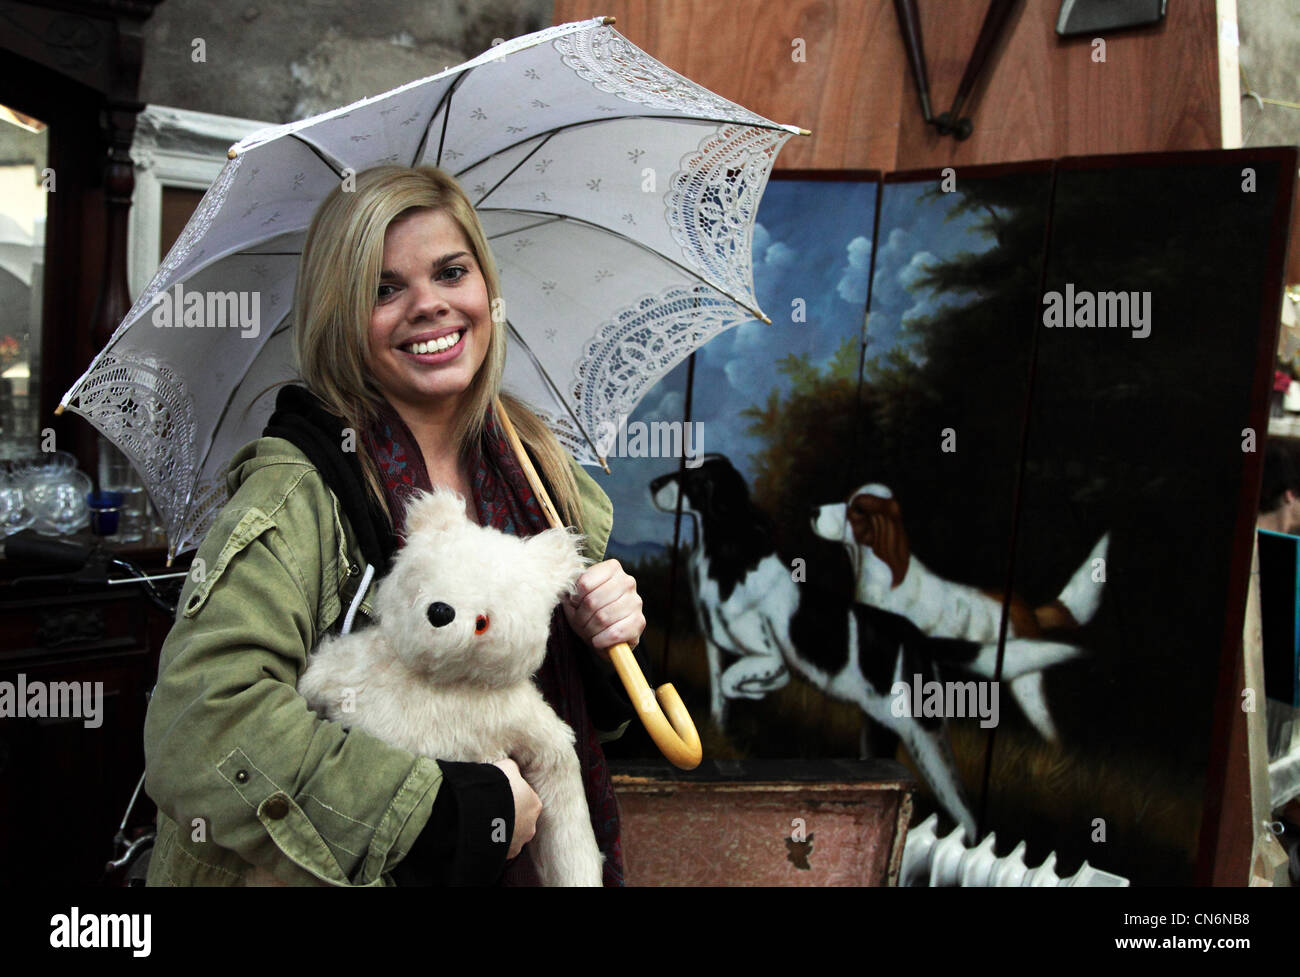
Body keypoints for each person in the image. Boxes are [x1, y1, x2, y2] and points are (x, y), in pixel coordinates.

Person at [142, 165, 644, 886]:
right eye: (384, 289)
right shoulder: (300, 490)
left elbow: (561, 713)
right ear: (341, 315)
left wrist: (602, 645)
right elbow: (203, 729)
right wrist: (446, 809)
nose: (428, 305)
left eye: (451, 272)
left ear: (486, 288)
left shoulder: (541, 475)